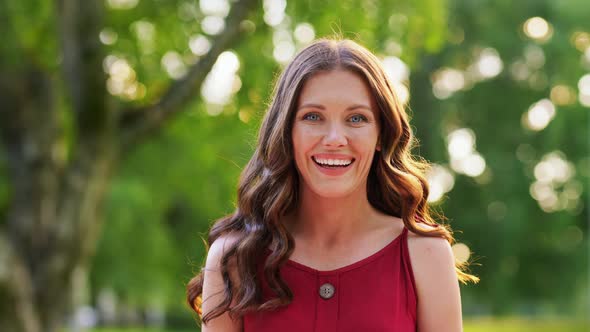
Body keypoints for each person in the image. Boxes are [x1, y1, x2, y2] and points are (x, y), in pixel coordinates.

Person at [186, 38, 478, 332]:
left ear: (381, 135)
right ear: (287, 131)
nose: (335, 138)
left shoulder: (425, 255)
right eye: (313, 116)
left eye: (356, 118)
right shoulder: (234, 258)